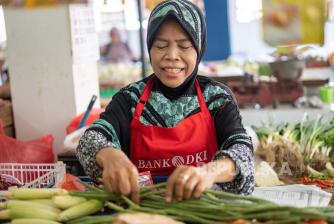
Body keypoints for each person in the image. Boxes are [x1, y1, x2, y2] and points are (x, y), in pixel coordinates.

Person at [77, 0, 254, 204]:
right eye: (161, 45)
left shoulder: (216, 98)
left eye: (184, 46)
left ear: (198, 48)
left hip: (206, 208)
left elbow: (241, 150)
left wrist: (209, 172)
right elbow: (90, 140)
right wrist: (109, 155)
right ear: (150, 48)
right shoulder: (130, 99)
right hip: (142, 210)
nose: (171, 56)